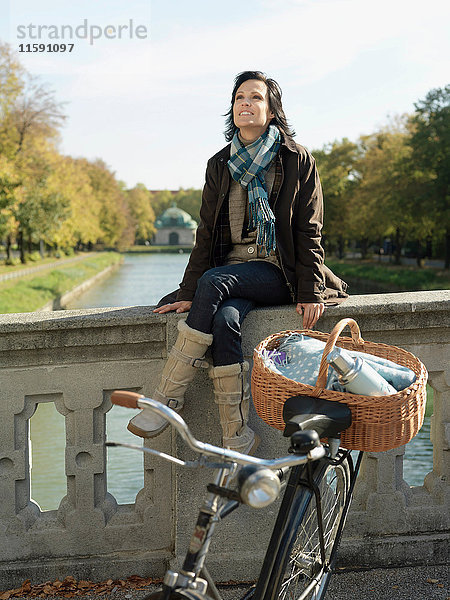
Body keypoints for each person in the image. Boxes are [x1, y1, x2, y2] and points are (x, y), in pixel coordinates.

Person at [128, 70, 348, 454]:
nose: (246, 103)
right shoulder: (219, 165)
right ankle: (237, 433)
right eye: (239, 98)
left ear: (272, 110)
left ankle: (165, 399)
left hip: (279, 270)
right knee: (224, 319)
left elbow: (309, 231)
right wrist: (187, 292)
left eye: (256, 97)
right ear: (232, 110)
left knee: (213, 283)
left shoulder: (297, 160)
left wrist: (311, 290)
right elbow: (206, 235)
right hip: (234, 272)